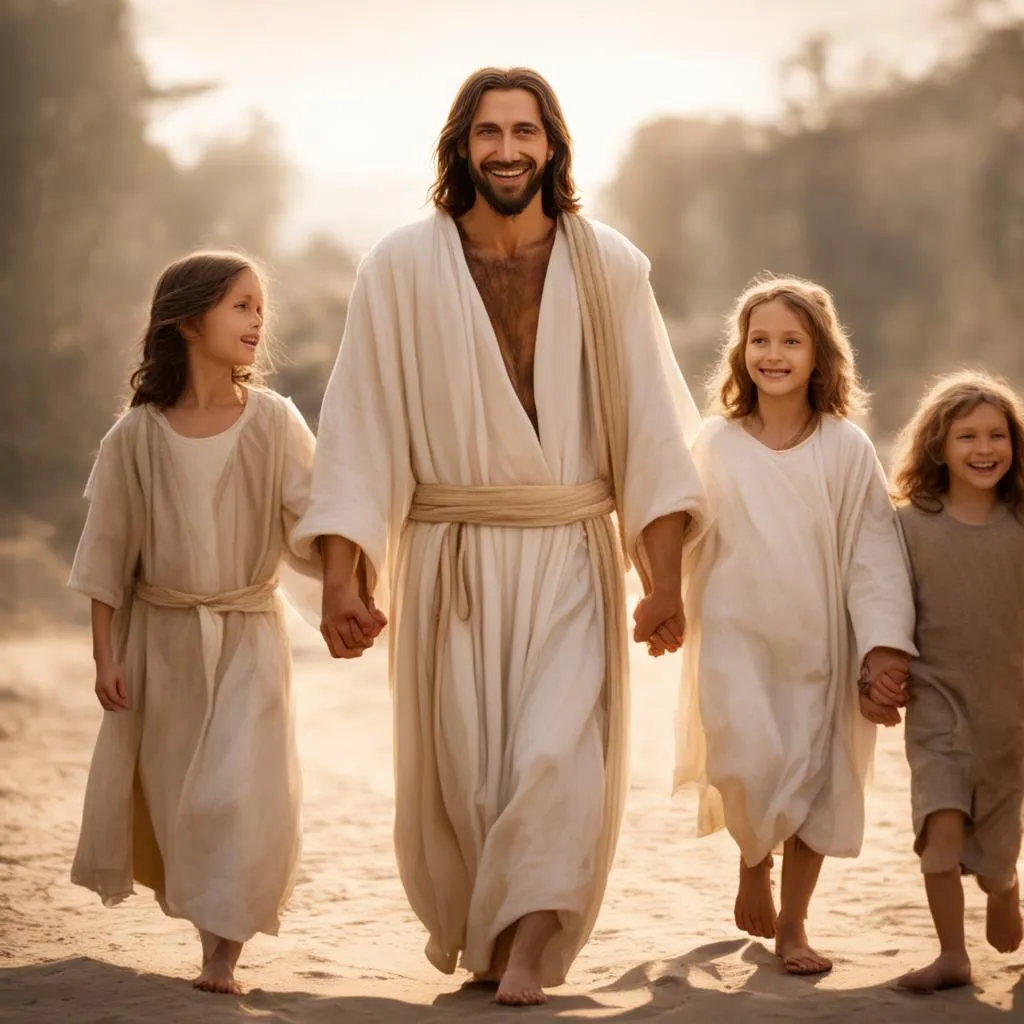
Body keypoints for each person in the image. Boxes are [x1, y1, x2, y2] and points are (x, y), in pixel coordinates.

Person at [293, 66, 706, 1006]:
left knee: (557, 753)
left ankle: (528, 948)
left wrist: (666, 580)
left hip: (568, 548)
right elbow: (359, 427)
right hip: (451, 555)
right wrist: (342, 580)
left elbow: (651, 430)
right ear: (461, 146)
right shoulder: (398, 266)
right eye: (489, 133)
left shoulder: (614, 267)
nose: (508, 150)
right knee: (469, 772)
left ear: (553, 145)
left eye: (525, 132)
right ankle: (493, 931)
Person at [68, 252, 318, 995]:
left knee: (236, 792)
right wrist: (105, 657)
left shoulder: (274, 421)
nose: (257, 321)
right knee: (184, 798)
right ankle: (211, 932)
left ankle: (223, 957)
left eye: (259, 307)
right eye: (240, 306)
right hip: (164, 644)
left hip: (248, 633)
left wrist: (347, 588)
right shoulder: (135, 437)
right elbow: (105, 553)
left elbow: (315, 519)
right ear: (188, 321)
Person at [674, 274, 917, 975]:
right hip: (733, 638)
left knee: (815, 774)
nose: (772, 354)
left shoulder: (845, 448)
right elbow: (678, 528)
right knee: (745, 756)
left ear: (820, 355)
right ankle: (754, 858)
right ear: (739, 351)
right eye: (759, 340)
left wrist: (882, 650)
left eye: (790, 341)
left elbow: (874, 552)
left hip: (821, 643)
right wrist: (660, 594)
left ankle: (795, 924)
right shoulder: (715, 444)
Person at [888, 370, 1024, 992]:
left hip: (1010, 718)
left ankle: (1003, 887)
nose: (984, 448)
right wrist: (876, 671)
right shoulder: (911, 524)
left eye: (998, 435)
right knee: (939, 828)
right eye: (966, 435)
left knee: (996, 853)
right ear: (937, 445)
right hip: (938, 704)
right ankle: (952, 955)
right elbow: (884, 604)